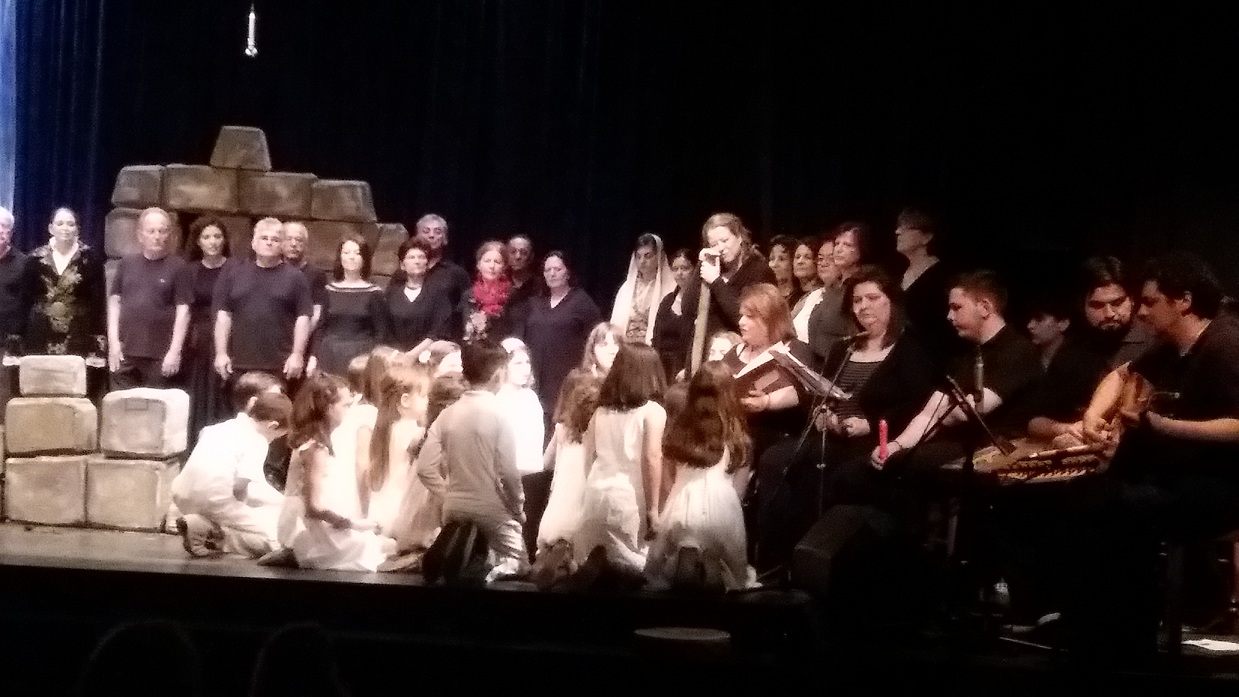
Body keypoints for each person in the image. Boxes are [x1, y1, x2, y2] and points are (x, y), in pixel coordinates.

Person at [1041, 253, 1239, 658]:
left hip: (1223, 486)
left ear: (1183, 301)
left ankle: (1125, 637)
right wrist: (1094, 417)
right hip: (1180, 477)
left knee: (1115, 507)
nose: (1142, 312)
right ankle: (1099, 626)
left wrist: (1163, 427)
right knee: (1085, 495)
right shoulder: (1171, 348)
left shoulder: (1225, 345)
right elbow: (1122, 375)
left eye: (1150, 302)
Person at [753, 266, 937, 574]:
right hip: (833, 434)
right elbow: (820, 391)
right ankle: (774, 562)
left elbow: (917, 405)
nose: (863, 307)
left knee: (827, 473)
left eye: (872, 298)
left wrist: (870, 422)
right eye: (856, 300)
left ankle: (815, 563)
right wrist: (821, 412)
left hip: (873, 440)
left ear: (892, 302)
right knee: (775, 459)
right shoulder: (844, 347)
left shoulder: (909, 350)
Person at [415, 341, 528, 581]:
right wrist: (518, 509)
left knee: (474, 551)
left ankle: (462, 548)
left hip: (453, 506)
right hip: (490, 507)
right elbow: (509, 472)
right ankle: (487, 570)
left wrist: (449, 493)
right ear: (498, 375)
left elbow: (424, 468)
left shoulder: (447, 414)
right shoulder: (500, 414)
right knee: (521, 564)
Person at [645, 361, 755, 591]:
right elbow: (739, 491)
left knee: (667, 575)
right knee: (729, 578)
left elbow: (667, 481)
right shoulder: (739, 438)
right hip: (723, 513)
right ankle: (711, 570)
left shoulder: (678, 433)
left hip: (682, 507)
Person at [571, 343, 667, 587]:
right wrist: (653, 510)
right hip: (630, 501)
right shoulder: (652, 412)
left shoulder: (601, 412)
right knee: (634, 575)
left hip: (596, 496)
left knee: (599, 581)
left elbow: (588, 457)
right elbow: (652, 458)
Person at [277, 373, 392, 571]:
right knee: (381, 548)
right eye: (346, 406)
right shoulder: (316, 448)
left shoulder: (314, 442)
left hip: (312, 527)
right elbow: (314, 507)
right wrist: (352, 524)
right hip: (314, 535)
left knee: (382, 543)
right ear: (329, 408)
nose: (349, 411)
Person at [172, 390, 292, 558]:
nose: (273, 441)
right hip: (213, 501)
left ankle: (203, 524)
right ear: (272, 426)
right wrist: (244, 510)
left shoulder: (217, 428)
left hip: (180, 495)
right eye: (277, 437)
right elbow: (240, 488)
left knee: (261, 512)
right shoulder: (257, 441)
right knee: (279, 536)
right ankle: (213, 534)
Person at [213, 218, 313, 386]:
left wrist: (297, 355)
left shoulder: (296, 277)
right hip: (239, 363)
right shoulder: (235, 274)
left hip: (280, 365)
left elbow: (303, 318)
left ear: (282, 245)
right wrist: (221, 353)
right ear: (253, 243)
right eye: (264, 238)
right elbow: (224, 315)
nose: (269, 243)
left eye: (275, 239)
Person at [530, 370, 603, 588]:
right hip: (581, 506)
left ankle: (553, 560)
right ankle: (569, 564)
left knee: (554, 541)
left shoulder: (562, 430)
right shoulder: (600, 437)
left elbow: (546, 463)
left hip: (557, 509)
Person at [107, 207, 190, 389]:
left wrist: (175, 351)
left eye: (162, 231)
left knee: (155, 405)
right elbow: (115, 303)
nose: (157, 236)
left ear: (170, 234)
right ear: (140, 235)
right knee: (121, 403)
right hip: (125, 352)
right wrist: (113, 342)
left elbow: (183, 312)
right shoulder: (126, 263)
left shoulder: (179, 267)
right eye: (151, 231)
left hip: (160, 356)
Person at [680, 213, 777, 365]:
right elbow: (688, 308)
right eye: (714, 244)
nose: (720, 248)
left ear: (739, 237)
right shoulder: (713, 268)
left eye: (725, 240)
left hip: (738, 357)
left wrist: (716, 282)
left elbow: (744, 317)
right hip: (705, 354)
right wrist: (701, 265)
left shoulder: (758, 271)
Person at [521, 251, 602, 420]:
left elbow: (596, 338)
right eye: (547, 270)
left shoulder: (582, 302)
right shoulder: (534, 303)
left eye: (557, 269)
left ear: (568, 272)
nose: (552, 273)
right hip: (536, 379)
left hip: (565, 380)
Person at [356, 364, 432, 541]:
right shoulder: (409, 430)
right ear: (405, 400)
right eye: (424, 396)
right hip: (399, 509)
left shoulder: (387, 428)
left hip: (381, 506)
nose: (428, 401)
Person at [25, 207, 106, 365]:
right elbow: (24, 301)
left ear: (77, 229)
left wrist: (97, 344)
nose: (65, 228)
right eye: (60, 223)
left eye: (71, 224)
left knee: (75, 379)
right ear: (51, 228)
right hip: (39, 334)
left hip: (79, 335)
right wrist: (16, 341)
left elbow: (98, 304)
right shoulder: (34, 259)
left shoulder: (91, 259)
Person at [180, 216, 234, 446]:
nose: (213, 242)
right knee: (197, 393)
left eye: (217, 236)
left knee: (222, 394)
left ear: (224, 240)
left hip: (228, 338)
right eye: (207, 237)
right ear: (198, 242)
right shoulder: (190, 270)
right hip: (198, 340)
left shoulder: (235, 268)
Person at [308, 235, 390, 377]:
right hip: (329, 353)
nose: (351, 257)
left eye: (357, 253)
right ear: (340, 257)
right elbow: (321, 327)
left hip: (361, 356)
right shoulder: (329, 290)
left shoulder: (374, 293)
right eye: (346, 252)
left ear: (364, 259)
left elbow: (381, 333)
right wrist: (313, 357)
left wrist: (373, 361)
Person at [895, 208, 957, 365]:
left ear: (927, 237)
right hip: (901, 357)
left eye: (906, 227)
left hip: (930, 361)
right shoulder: (899, 275)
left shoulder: (943, 277)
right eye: (898, 227)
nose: (897, 232)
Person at [389, 214, 473, 321]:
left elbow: (465, 309)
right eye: (426, 231)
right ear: (417, 236)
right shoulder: (402, 273)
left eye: (437, 232)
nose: (431, 235)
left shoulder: (457, 274)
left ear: (445, 238)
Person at [385, 236, 452, 355]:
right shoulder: (391, 293)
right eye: (411, 257)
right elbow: (385, 329)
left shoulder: (438, 294)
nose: (417, 261)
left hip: (427, 357)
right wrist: (398, 355)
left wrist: (411, 355)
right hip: (394, 357)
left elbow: (437, 332)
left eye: (421, 257)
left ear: (427, 263)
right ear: (402, 265)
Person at [610, 233, 677, 345]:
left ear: (659, 257)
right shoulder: (626, 289)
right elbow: (616, 324)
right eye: (638, 256)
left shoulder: (670, 288)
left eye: (648, 256)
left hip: (654, 349)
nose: (642, 261)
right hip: (627, 348)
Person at [0, 206, 32, 421]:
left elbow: (30, 305)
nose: (0, 231)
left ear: (11, 233)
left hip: (8, 345)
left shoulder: (24, 264)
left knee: (5, 400)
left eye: (4, 227)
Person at [459, 240, 517, 343]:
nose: (492, 266)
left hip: (502, 349)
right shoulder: (469, 295)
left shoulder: (513, 295)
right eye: (487, 261)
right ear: (479, 265)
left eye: (497, 262)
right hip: (473, 349)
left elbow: (514, 331)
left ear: (504, 267)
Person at [651, 249, 695, 382]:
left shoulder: (700, 303)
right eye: (675, 269)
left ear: (695, 269)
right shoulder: (668, 301)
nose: (679, 273)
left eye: (685, 268)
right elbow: (656, 336)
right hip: (662, 367)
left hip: (684, 369)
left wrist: (688, 368)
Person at [281, 221, 328, 332]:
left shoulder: (316, 274)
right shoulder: (273, 272)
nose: (293, 244)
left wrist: (301, 336)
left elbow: (317, 312)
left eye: (299, 240)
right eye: (289, 239)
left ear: (306, 244)